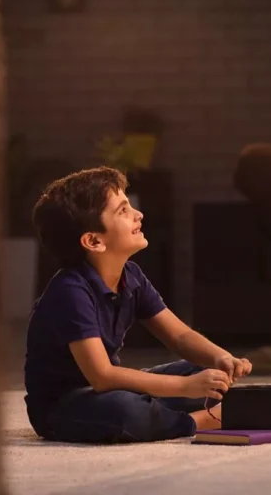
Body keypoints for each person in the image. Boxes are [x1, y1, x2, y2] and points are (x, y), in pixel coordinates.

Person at [23, 166, 252, 443]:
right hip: (64, 406)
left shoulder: (131, 276)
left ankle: (159, 414)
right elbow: (103, 376)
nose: (138, 214)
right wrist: (184, 387)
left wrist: (220, 358)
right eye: (123, 211)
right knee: (125, 410)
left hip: (106, 390)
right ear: (93, 240)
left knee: (203, 372)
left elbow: (180, 336)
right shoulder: (70, 291)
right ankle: (199, 421)